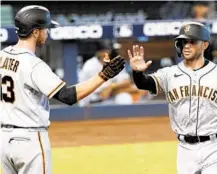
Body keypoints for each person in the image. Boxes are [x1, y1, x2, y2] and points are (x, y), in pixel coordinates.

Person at [0, 5, 125, 174]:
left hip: (4, 140)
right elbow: (67, 96)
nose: (47, 32)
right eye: (45, 28)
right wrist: (104, 75)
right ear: (35, 32)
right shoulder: (34, 65)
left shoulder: (3, 55)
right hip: (29, 141)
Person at [127, 22, 217, 174]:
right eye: (183, 41)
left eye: (192, 41)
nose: (186, 46)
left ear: (205, 45)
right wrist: (137, 73)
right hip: (185, 149)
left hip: (215, 146)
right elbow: (144, 84)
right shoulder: (169, 74)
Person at [79, 41, 147, 105]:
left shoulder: (114, 61)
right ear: (101, 52)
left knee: (125, 98)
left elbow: (126, 82)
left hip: (109, 98)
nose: (117, 51)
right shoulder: (90, 66)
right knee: (130, 94)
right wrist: (134, 90)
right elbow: (104, 93)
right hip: (92, 101)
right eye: (112, 49)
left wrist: (112, 86)